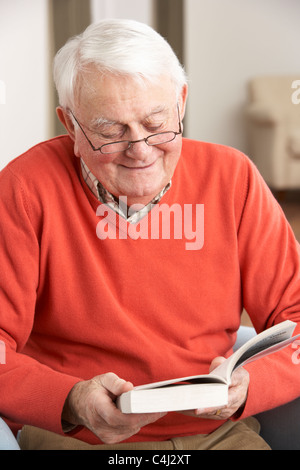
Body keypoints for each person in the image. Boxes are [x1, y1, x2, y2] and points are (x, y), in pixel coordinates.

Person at [0, 19, 299, 451]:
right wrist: (70, 399)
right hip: (76, 437)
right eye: (110, 131)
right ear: (71, 126)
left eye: (157, 122)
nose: (140, 149)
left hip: (216, 435)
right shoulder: (25, 188)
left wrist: (253, 385)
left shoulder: (233, 178)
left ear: (180, 102)